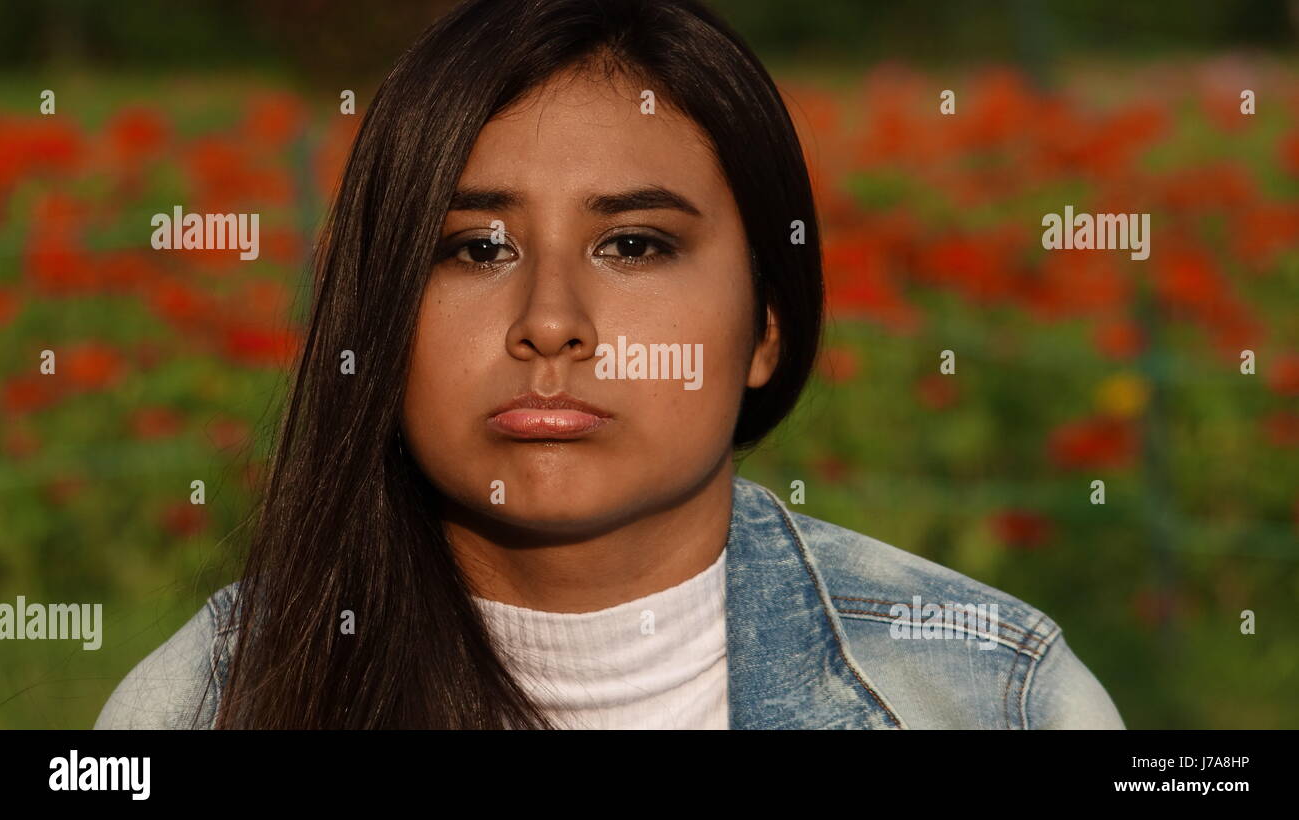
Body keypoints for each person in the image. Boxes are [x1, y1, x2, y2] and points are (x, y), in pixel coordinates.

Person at [95, 0, 1124, 730]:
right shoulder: (198, 705)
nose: (551, 323)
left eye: (634, 244)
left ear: (765, 322)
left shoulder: (990, 695)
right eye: (473, 247)